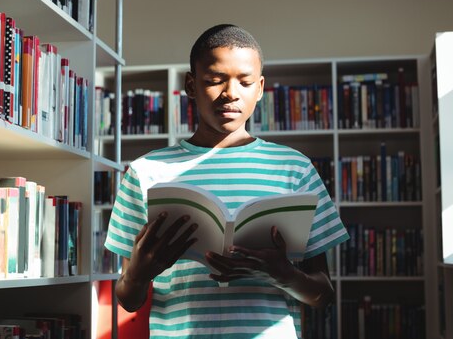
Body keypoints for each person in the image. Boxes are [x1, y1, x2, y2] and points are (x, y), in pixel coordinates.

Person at [105, 24, 349, 339]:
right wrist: (139, 275)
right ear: (190, 86)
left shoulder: (295, 169)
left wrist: (283, 274)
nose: (231, 93)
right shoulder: (146, 171)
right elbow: (127, 300)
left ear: (260, 88)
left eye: (245, 82)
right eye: (214, 80)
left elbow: (324, 295)